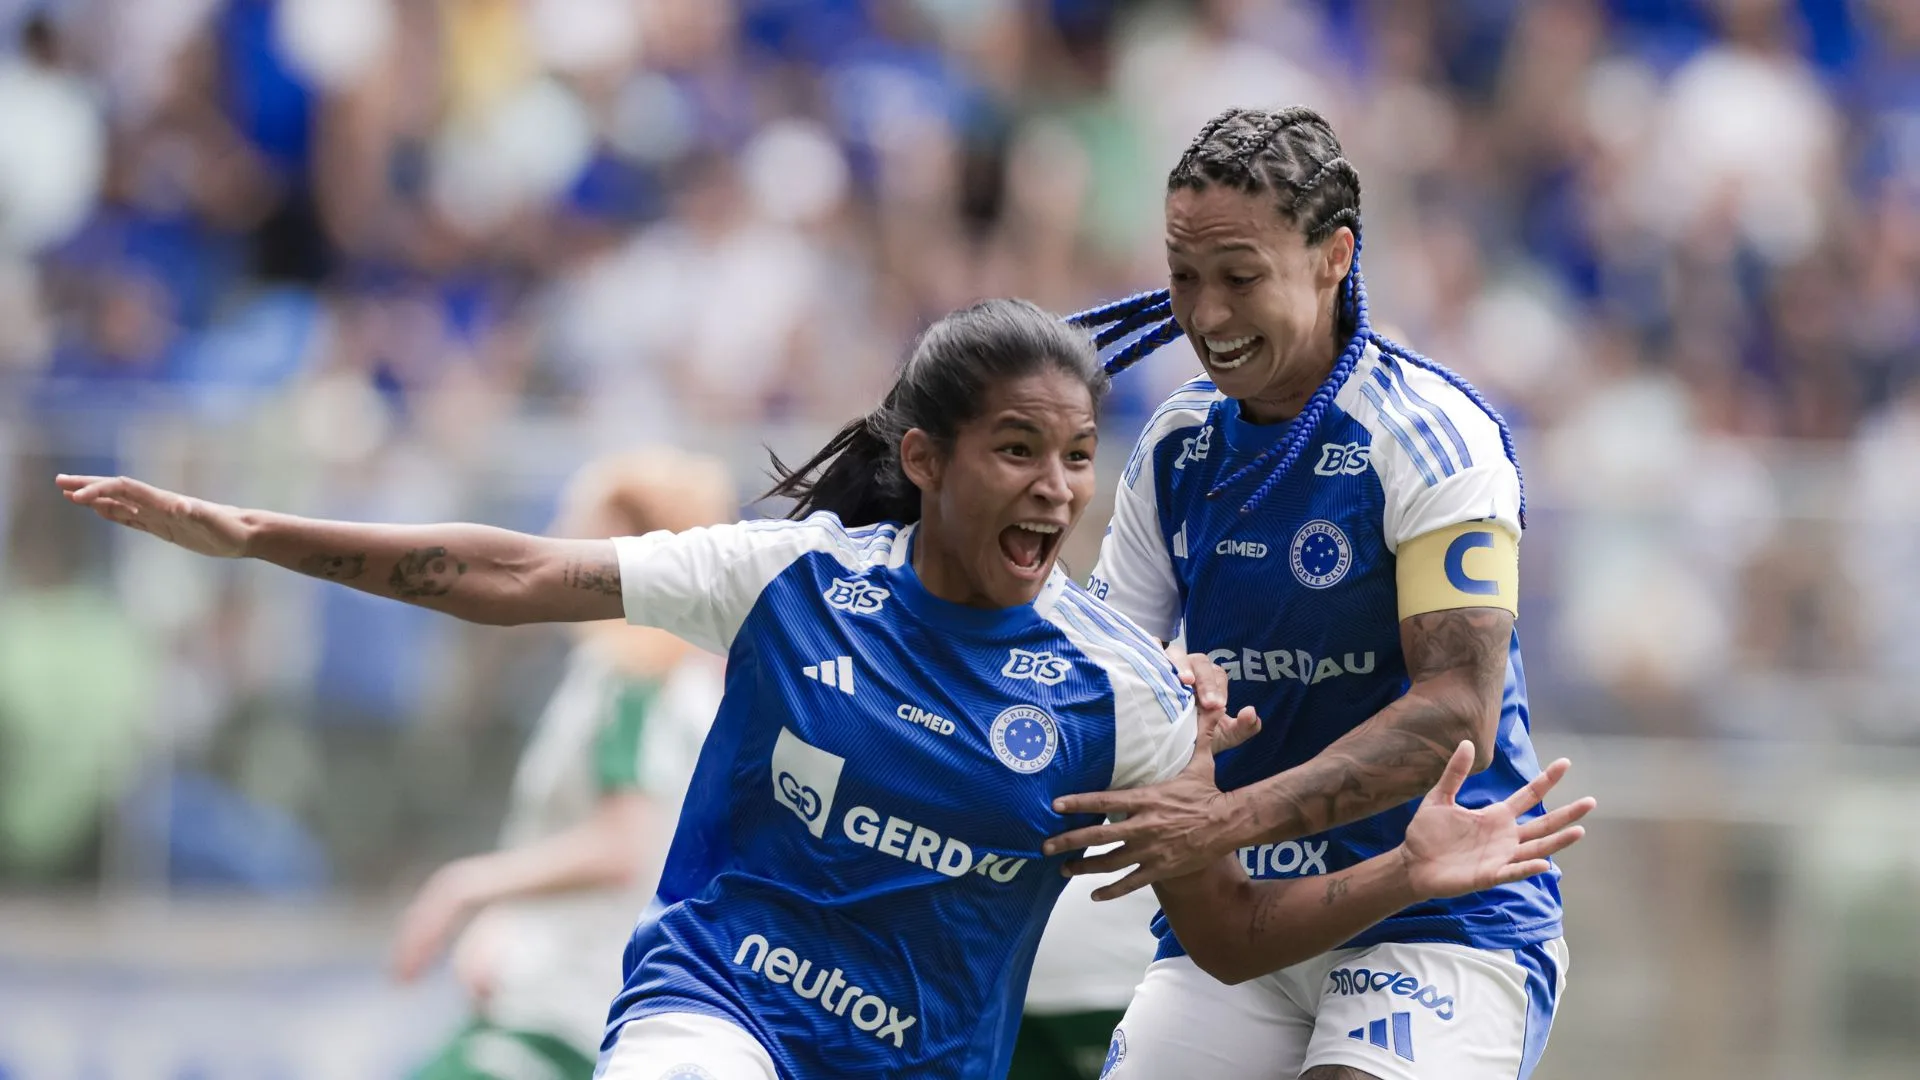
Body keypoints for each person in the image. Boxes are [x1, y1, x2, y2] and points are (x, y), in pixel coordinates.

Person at [57, 298, 1591, 1080]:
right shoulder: (792, 580)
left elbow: (1233, 932)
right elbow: (515, 573)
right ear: (921, 461)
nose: (1057, 488)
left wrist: (1403, 870)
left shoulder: (1120, 693)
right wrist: (254, 532)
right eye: (1015, 451)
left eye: (1076, 457)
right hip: (718, 1013)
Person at [1050, 105, 1568, 1080]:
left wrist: (1225, 818)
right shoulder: (1174, 448)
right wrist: (1163, 699)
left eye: (1241, 278)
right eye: (1184, 276)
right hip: (1242, 921)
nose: (1205, 316)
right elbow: (1104, 685)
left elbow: (1455, 714)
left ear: (1335, 256)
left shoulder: (1432, 437)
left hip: (1442, 912)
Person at [391, 449, 734, 1080]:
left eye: (575, 525)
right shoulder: (678, 680)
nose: (550, 541)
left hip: (563, 1016)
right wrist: (507, 921)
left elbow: (621, 845)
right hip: (581, 1007)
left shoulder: (633, 678)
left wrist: (466, 886)